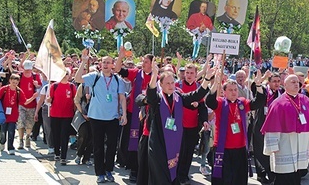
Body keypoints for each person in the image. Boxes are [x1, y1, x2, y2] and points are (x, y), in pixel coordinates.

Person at [146, 59, 215, 185]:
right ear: (160, 85)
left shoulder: (179, 96)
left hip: (175, 141)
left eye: (172, 83)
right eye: (167, 83)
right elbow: (150, 96)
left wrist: (207, 79)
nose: (171, 86)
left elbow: (195, 95)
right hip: (159, 143)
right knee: (160, 175)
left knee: (174, 172)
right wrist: (154, 75)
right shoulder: (157, 98)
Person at [75, 52, 127, 183]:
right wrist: (83, 61)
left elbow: (122, 98)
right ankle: (100, 173)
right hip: (96, 117)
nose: (106, 64)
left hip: (112, 118)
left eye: (108, 62)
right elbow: (77, 79)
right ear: (100, 64)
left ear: (112, 65)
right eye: (104, 62)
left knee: (111, 146)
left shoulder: (117, 79)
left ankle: (109, 170)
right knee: (98, 146)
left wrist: (124, 114)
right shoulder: (94, 76)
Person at [206, 70, 265, 185]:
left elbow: (258, 102)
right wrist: (215, 85)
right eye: (230, 90)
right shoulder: (220, 103)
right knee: (223, 179)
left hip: (240, 148)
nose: (234, 92)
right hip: (223, 149)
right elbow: (209, 101)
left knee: (239, 178)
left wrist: (258, 85)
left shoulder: (242, 103)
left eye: (235, 90)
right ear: (224, 92)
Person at [261, 74, 309, 185]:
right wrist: (273, 146)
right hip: (285, 145)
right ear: (285, 85)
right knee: (284, 177)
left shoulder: (305, 100)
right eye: (293, 82)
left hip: (302, 143)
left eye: (297, 82)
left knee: (297, 176)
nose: (296, 84)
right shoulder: (278, 103)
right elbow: (272, 127)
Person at [115, 50, 154, 183]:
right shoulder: (136, 73)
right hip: (134, 114)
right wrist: (120, 56)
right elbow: (118, 69)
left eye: (146, 62)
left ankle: (145, 170)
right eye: (143, 61)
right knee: (132, 141)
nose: (143, 64)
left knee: (145, 144)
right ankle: (133, 169)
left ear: (152, 64)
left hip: (150, 116)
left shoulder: (157, 77)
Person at [176, 64, 208, 185]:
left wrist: (204, 120)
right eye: (187, 73)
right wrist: (191, 104)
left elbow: (202, 106)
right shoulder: (177, 86)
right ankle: (176, 175)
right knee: (179, 152)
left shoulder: (199, 87)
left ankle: (184, 175)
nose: (189, 75)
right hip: (178, 126)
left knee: (189, 153)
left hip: (193, 126)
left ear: (196, 74)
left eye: (191, 73)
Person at [251, 72, 281, 184]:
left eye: (278, 81)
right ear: (269, 82)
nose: (277, 83)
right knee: (260, 150)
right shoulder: (263, 91)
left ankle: (272, 173)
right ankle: (261, 174)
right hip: (261, 124)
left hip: (275, 126)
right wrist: (261, 79)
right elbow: (254, 88)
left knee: (272, 150)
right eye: (274, 81)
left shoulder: (281, 92)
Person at [48, 68, 77, 166]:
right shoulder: (54, 86)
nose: (65, 75)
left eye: (67, 74)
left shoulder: (72, 86)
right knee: (56, 135)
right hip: (55, 114)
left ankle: (63, 157)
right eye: (63, 74)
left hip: (67, 115)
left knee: (64, 136)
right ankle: (57, 153)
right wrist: (48, 100)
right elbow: (49, 99)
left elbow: (75, 100)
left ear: (69, 75)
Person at [0, 74, 28, 155]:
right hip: (3, 115)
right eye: (13, 82)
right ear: (10, 80)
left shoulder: (18, 91)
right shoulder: (4, 89)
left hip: (13, 115)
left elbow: (24, 101)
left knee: (11, 132)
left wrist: (33, 97)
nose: (14, 84)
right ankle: (2, 142)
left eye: (16, 82)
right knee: (3, 132)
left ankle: (10, 147)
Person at [17, 60, 41, 149]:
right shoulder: (19, 76)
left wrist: (37, 85)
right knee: (21, 122)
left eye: (29, 70)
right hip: (21, 103)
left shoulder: (36, 76)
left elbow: (39, 87)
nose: (27, 71)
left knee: (30, 123)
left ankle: (27, 136)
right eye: (26, 70)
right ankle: (20, 140)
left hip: (32, 103)